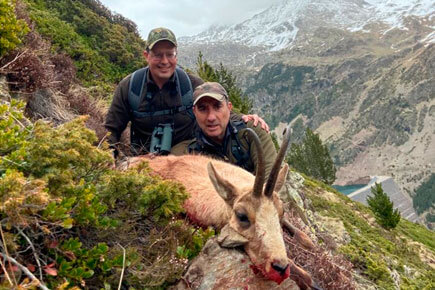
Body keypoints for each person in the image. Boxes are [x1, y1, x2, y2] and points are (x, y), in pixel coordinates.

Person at [105, 27, 268, 157]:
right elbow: (111, 129)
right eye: (158, 55)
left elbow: (216, 110)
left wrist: (245, 118)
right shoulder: (130, 88)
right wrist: (108, 155)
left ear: (176, 55)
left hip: (189, 159)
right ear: (146, 55)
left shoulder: (192, 85)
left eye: (170, 55)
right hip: (144, 161)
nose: (164, 61)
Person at [171, 82, 277, 176]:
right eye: (202, 109)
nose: (211, 117)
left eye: (217, 107)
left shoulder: (251, 132)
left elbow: (272, 180)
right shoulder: (184, 153)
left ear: (229, 108)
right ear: (194, 112)